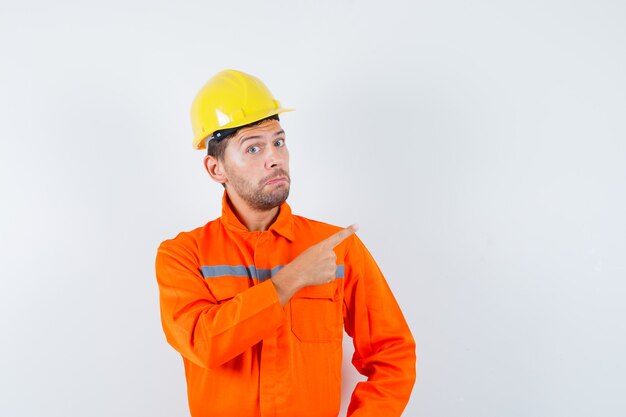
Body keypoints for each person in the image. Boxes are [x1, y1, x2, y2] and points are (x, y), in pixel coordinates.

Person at [155, 69, 416, 417]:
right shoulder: (183, 255)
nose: (274, 157)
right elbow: (203, 344)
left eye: (278, 141)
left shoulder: (336, 248)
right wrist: (290, 280)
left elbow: (392, 354)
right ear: (216, 169)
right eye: (253, 147)